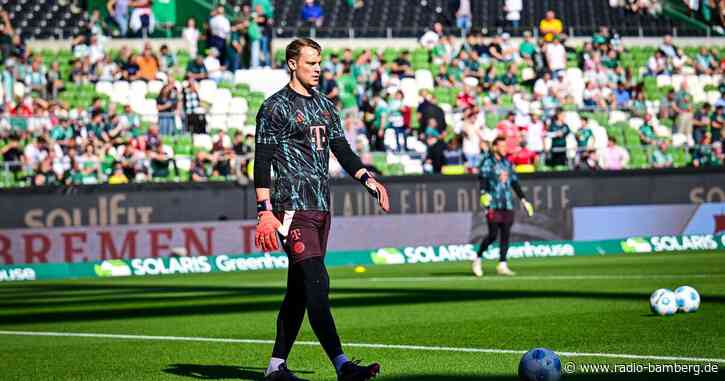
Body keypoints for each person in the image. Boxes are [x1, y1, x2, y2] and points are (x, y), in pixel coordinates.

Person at [254, 38, 389, 381]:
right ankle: (343, 365)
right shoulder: (274, 107)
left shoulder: (326, 106)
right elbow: (262, 160)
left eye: (319, 63)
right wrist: (263, 209)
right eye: (311, 63)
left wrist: (367, 179)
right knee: (317, 282)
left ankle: (275, 368)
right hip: (291, 210)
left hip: (321, 209)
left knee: (299, 291)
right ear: (292, 64)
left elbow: (342, 149)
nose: (317, 69)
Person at [472, 137, 534, 277]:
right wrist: (483, 194)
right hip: (493, 203)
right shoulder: (488, 162)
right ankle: (478, 258)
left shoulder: (508, 163)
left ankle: (502, 264)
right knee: (493, 235)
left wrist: (524, 200)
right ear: (494, 147)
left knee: (505, 234)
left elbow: (514, 183)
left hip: (507, 203)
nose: (504, 148)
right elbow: (483, 179)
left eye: (505, 145)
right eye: (501, 145)